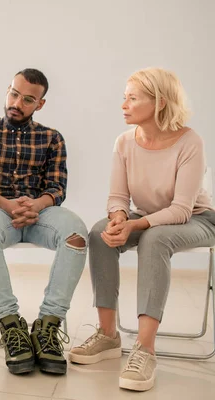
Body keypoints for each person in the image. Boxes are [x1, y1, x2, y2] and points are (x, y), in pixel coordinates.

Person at [69, 67, 215, 392]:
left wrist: (135, 223)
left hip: (197, 218)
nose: (124, 104)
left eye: (133, 98)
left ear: (160, 102)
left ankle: (145, 349)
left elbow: (180, 209)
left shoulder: (190, 142)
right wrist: (119, 217)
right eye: (125, 97)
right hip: (146, 215)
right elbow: (118, 197)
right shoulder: (124, 142)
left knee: (154, 238)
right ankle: (108, 336)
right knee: (99, 233)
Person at [0, 69, 87, 376]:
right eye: (13, 93)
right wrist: (9, 206)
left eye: (27, 99)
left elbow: (57, 187)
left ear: (41, 104)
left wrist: (35, 204)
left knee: (76, 233)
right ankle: (12, 327)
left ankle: (47, 327)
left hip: (39, 215)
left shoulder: (52, 138)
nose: (17, 103)